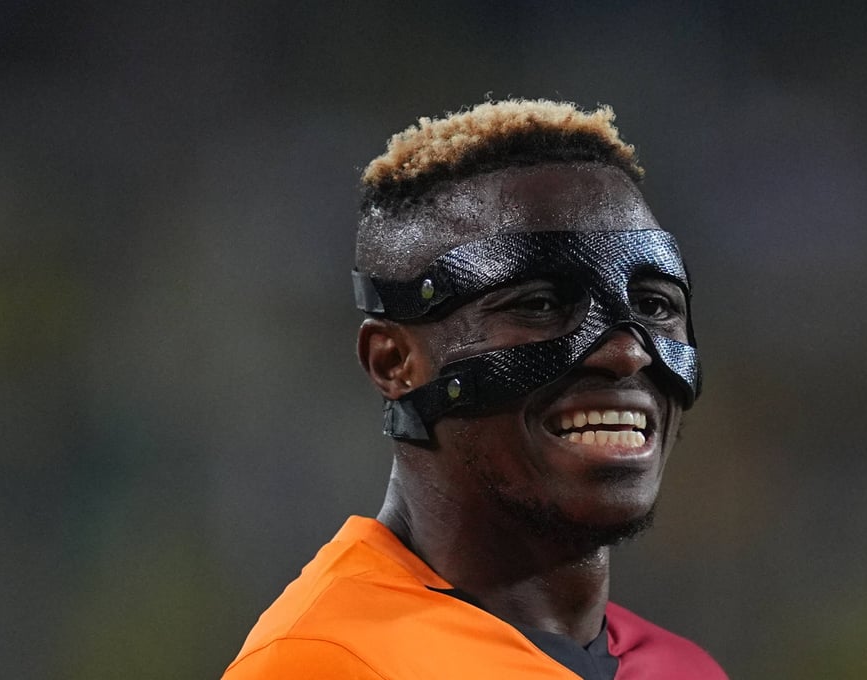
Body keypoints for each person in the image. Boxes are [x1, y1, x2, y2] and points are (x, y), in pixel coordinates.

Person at [222, 99, 727, 680]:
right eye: (540, 304)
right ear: (394, 362)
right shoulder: (327, 662)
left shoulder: (684, 668)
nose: (627, 352)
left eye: (655, 305)